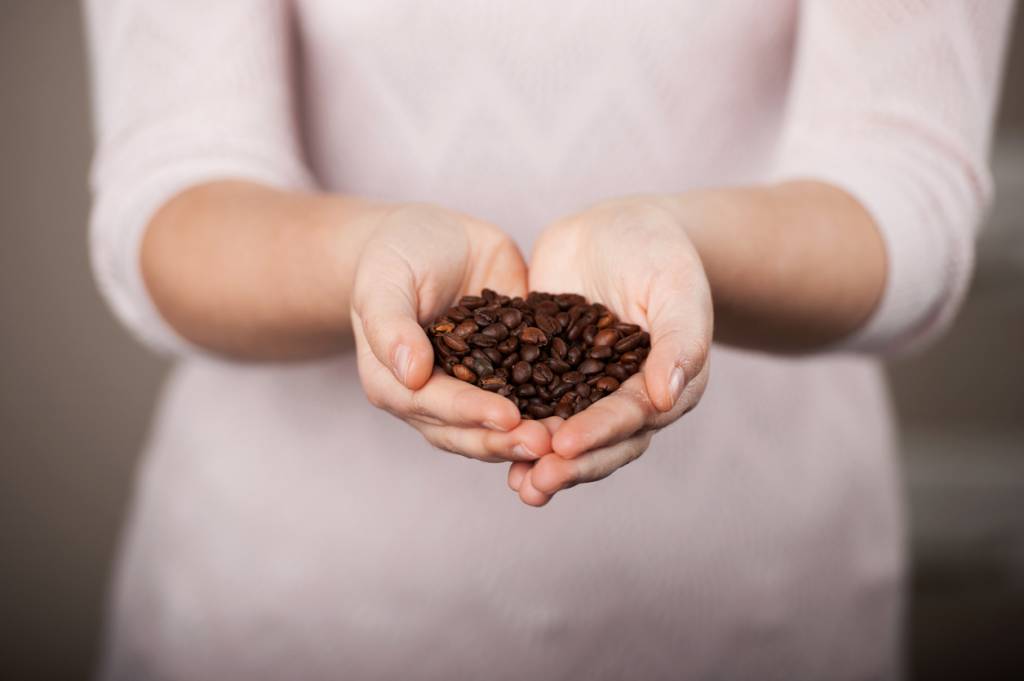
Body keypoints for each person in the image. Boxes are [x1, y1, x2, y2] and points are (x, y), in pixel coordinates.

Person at [84, 1, 1012, 679]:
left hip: (756, 617)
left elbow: (907, 193)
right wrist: (366, 257)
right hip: (282, 622)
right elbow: (171, 199)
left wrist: (682, 246)